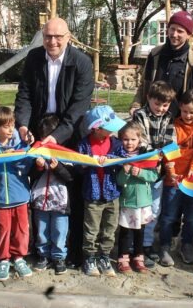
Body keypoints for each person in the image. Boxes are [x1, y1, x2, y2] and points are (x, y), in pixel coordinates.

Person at [14, 18, 94, 267]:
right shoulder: (35, 57)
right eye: (48, 36)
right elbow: (24, 94)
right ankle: (40, 248)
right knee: (39, 190)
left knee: (72, 191)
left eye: (58, 36)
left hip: (70, 134)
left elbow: (79, 107)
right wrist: (23, 124)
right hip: (40, 129)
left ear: (68, 37)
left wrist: (57, 137)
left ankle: (73, 251)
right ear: (42, 36)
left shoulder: (82, 63)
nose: (53, 41)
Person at [0, 106, 33, 281]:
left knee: (21, 229)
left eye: (12, 125)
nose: (11, 129)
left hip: (20, 195)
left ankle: (19, 257)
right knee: (2, 229)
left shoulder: (21, 144)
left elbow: (26, 168)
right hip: (0, 197)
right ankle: (3, 258)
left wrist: (15, 157)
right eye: (6, 126)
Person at [158, 88, 193, 266]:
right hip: (173, 179)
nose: (188, 115)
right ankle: (164, 245)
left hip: (192, 180)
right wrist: (171, 174)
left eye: (192, 112)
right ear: (179, 107)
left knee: (191, 217)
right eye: (185, 111)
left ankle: (186, 244)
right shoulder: (173, 125)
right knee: (169, 215)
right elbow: (168, 152)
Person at [130, 10, 193, 118]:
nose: (174, 34)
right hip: (150, 119)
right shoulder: (154, 55)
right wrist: (136, 105)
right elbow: (144, 85)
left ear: (189, 35)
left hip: (179, 124)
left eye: (180, 31)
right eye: (172, 29)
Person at [132, 80, 176, 267]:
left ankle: (148, 243)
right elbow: (140, 142)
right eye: (157, 104)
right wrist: (157, 153)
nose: (160, 108)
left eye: (165, 105)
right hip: (141, 171)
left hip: (157, 174)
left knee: (154, 210)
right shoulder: (140, 115)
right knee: (138, 208)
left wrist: (167, 160)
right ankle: (137, 244)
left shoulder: (169, 117)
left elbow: (169, 143)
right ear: (149, 98)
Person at [78, 105, 126, 277]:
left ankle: (104, 256)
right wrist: (87, 162)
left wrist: (111, 159)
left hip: (112, 193)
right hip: (93, 195)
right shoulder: (84, 144)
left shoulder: (116, 144)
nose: (112, 132)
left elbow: (123, 159)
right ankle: (89, 257)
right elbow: (78, 166)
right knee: (91, 229)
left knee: (110, 228)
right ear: (97, 128)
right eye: (109, 128)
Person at [30, 114, 74, 275]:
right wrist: (38, 167)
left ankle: (59, 257)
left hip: (60, 203)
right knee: (41, 230)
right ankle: (43, 255)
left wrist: (58, 167)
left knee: (60, 230)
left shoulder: (66, 153)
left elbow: (70, 176)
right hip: (40, 200)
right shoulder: (37, 151)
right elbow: (31, 175)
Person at [116, 121, 157, 274]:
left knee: (140, 231)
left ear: (139, 139)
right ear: (121, 139)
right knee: (125, 232)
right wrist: (125, 172)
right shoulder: (120, 156)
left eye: (133, 139)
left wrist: (140, 173)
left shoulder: (146, 155)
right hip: (127, 201)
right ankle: (123, 258)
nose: (129, 143)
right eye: (126, 139)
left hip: (144, 202)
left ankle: (138, 257)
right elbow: (119, 181)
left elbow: (154, 175)